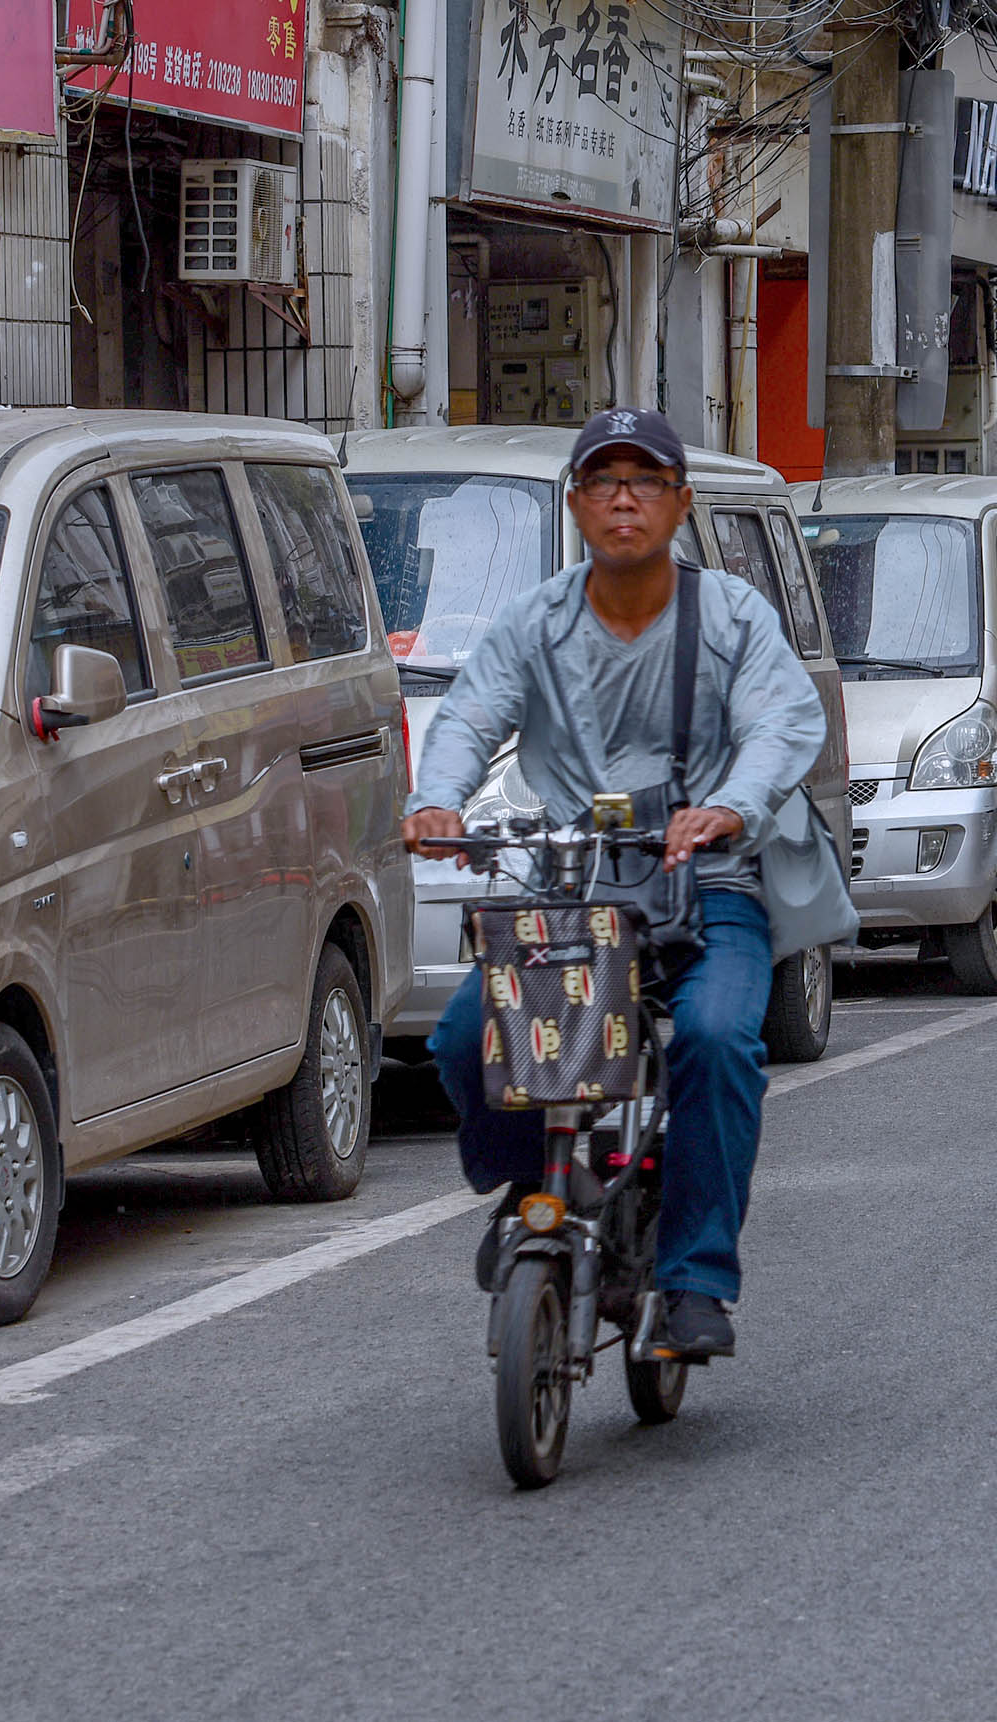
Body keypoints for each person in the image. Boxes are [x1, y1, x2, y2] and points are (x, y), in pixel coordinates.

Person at [403, 407, 849, 1364]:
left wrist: (728, 804)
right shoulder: (536, 619)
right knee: (462, 1038)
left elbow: (781, 721)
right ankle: (536, 1194)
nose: (622, 499)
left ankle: (694, 1280)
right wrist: (438, 803)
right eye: (602, 481)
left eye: (644, 481)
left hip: (709, 883)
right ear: (575, 505)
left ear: (679, 503)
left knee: (719, 1040)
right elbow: (470, 714)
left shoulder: (730, 614)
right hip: (571, 886)